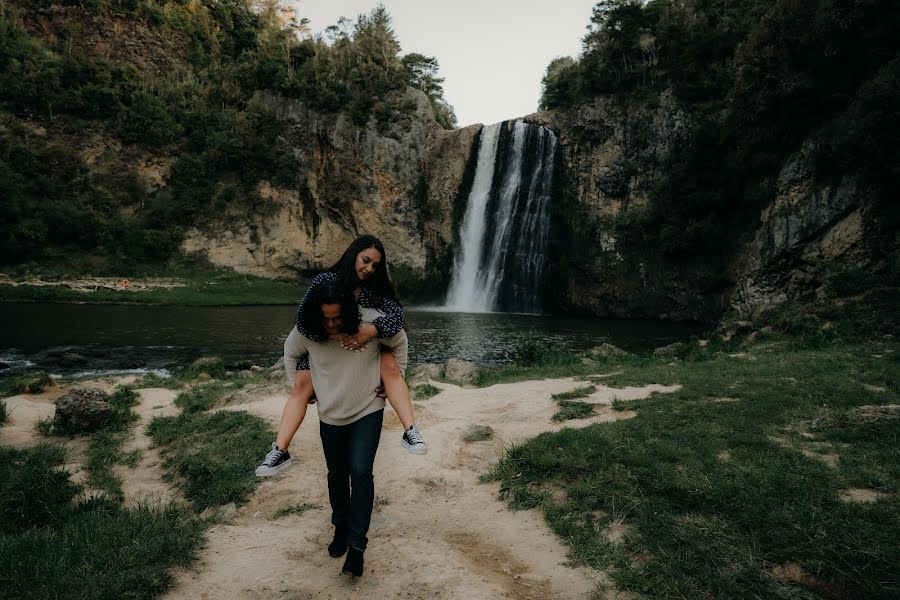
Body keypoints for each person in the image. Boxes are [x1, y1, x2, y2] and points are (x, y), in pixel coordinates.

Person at [256, 235, 426, 477]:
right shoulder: (327, 281)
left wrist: (370, 331)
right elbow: (303, 319)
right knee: (301, 384)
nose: (369, 269)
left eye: (375, 265)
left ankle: (410, 431)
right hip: (325, 347)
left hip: (366, 349)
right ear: (353, 255)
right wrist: (333, 337)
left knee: (390, 366)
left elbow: (398, 319)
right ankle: (280, 450)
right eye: (365, 260)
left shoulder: (374, 289)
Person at [282, 278, 408, 577]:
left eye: (337, 316)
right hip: (330, 414)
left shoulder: (370, 324)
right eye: (326, 318)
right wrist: (302, 388)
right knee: (337, 474)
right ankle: (340, 527)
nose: (332, 323)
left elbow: (400, 340)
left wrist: (394, 381)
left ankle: (357, 546)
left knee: (361, 471)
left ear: (348, 311)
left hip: (368, 410)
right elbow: (290, 353)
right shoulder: (308, 331)